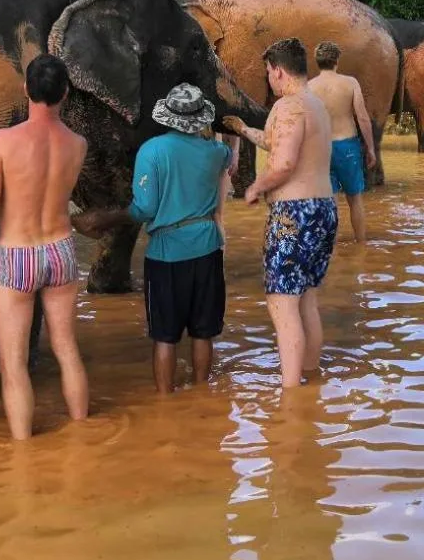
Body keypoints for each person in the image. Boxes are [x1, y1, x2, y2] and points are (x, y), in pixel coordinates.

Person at [0, 54, 90, 439]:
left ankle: (23, 453)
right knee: (66, 348)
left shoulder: (2, 141)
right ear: (65, 93)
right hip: (60, 249)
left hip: (17, 254)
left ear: (25, 90)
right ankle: (83, 434)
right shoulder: (77, 144)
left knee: (13, 361)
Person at [226, 38, 336, 389]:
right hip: (323, 209)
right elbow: (280, 142)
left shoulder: (289, 106)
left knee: (282, 305)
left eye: (268, 73)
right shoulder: (315, 105)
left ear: (278, 70)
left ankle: (290, 396)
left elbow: (285, 163)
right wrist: (244, 130)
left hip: (293, 214)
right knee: (306, 300)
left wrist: (256, 186)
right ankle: (312, 379)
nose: (269, 79)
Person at [127, 84, 233, 392]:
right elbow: (228, 154)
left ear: (168, 116)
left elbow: (144, 208)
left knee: (165, 335)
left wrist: (120, 215)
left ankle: (165, 402)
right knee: (203, 332)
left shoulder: (152, 150)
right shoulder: (216, 153)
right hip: (208, 248)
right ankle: (201, 393)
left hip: (166, 254)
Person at [307, 41, 377, 242]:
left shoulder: (309, 87)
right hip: (347, 146)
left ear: (317, 61)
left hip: (320, 149)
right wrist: (370, 148)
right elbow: (362, 117)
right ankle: (361, 246)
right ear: (337, 60)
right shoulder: (350, 83)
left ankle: (331, 250)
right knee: (355, 199)